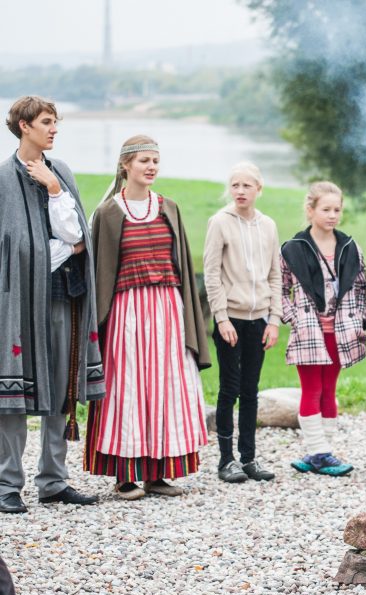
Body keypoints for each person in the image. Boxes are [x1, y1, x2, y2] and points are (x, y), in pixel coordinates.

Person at [86, 135, 210, 500]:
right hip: (127, 313)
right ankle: (125, 475)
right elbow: (100, 271)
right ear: (126, 165)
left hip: (168, 310)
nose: (151, 166)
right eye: (144, 160)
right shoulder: (108, 213)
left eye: (155, 160)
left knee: (167, 387)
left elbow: (182, 266)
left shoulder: (169, 207)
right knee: (128, 388)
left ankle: (160, 472)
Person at [0, 95, 103, 514]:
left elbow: (78, 236)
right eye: (47, 121)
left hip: (63, 297)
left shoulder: (61, 171)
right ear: (25, 126)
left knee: (61, 386)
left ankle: (53, 480)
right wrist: (54, 250)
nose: (54, 128)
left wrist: (54, 188)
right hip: (17, 302)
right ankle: (7, 484)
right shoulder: (4, 180)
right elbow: (14, 246)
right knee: (13, 391)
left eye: (56, 121)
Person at [280, 181, 366, 476]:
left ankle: (320, 451)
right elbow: (277, 289)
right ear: (310, 210)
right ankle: (320, 452)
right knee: (312, 388)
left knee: (329, 389)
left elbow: (360, 287)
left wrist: (359, 321)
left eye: (337, 209)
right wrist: (293, 317)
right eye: (326, 209)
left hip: (340, 331)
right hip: (309, 331)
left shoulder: (349, 246)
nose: (332, 215)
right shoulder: (293, 249)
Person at [203, 162, 281, 483]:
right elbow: (211, 274)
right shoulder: (219, 222)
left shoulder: (268, 226)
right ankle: (226, 460)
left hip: (258, 320)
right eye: (235, 185)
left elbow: (275, 274)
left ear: (258, 189)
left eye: (246, 186)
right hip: (230, 321)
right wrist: (221, 318)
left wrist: (274, 319)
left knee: (251, 391)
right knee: (229, 389)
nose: (240, 191)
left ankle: (248, 457)